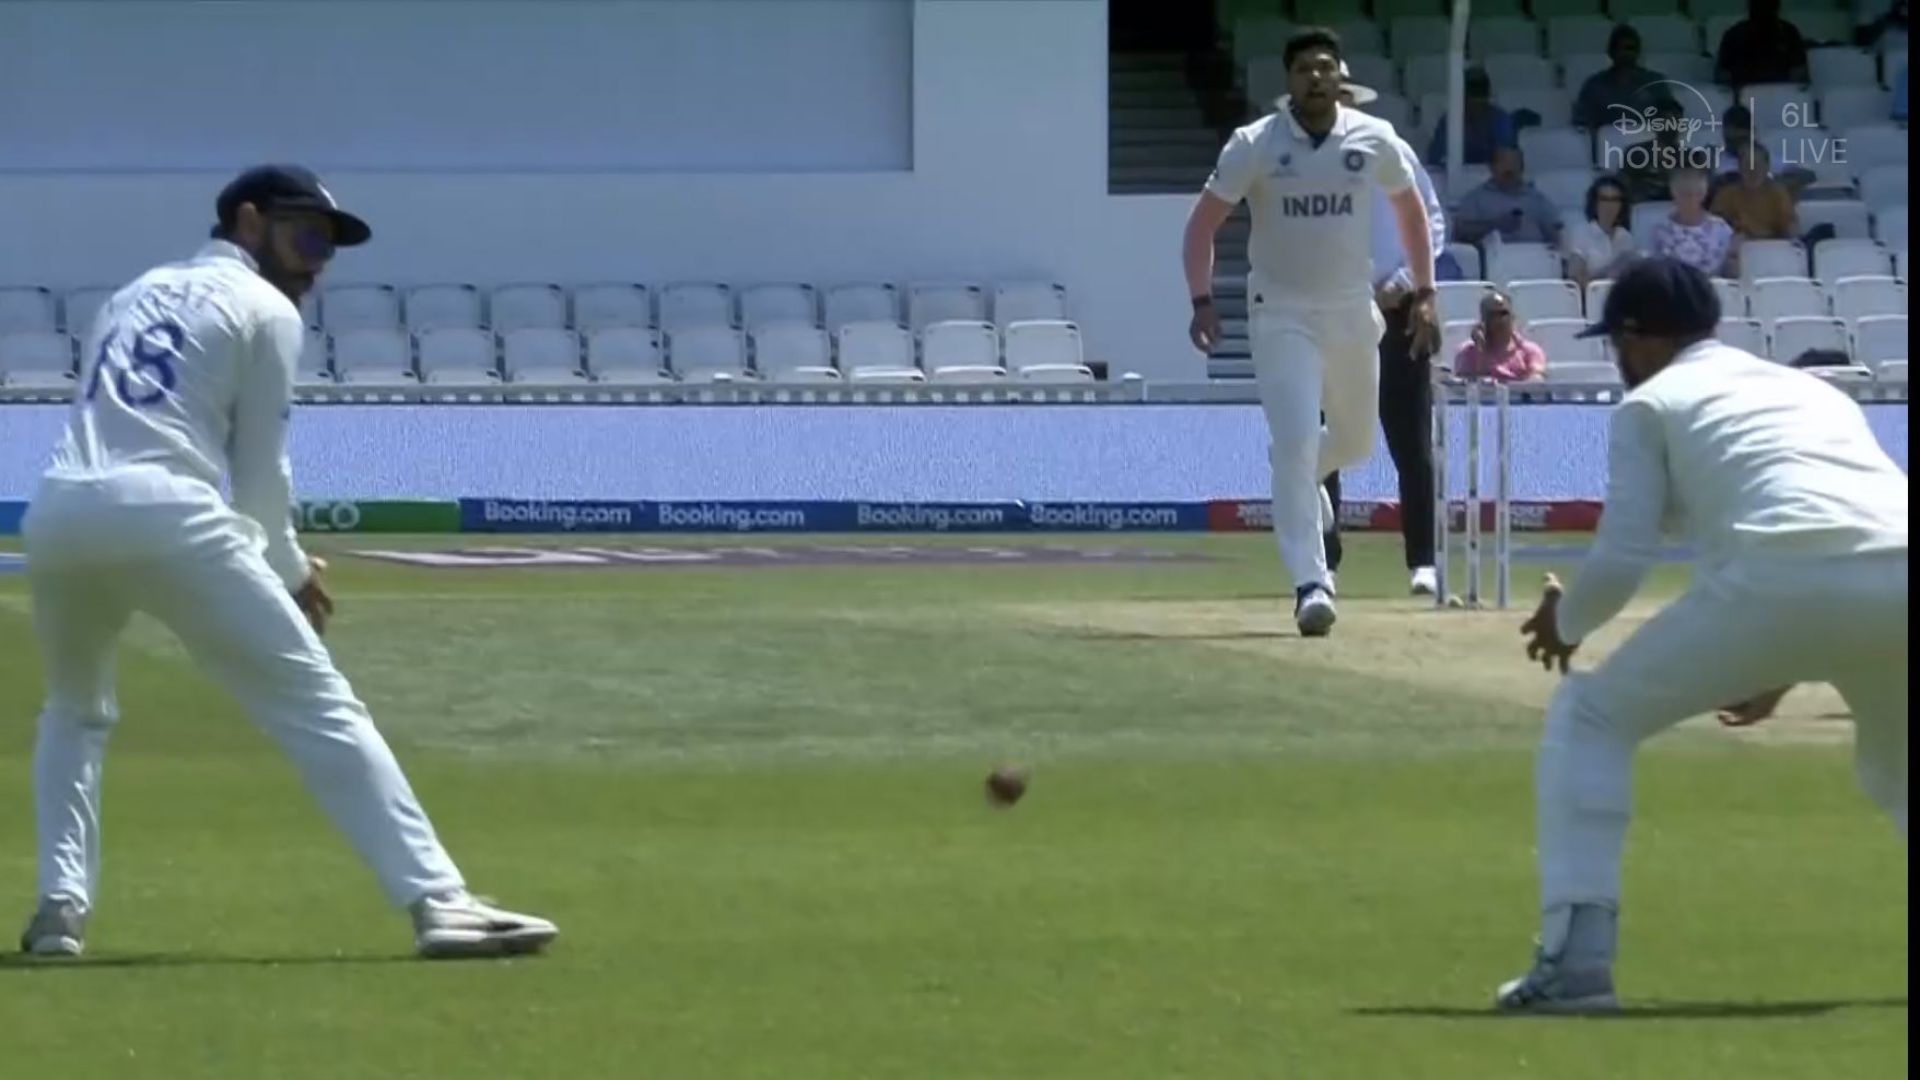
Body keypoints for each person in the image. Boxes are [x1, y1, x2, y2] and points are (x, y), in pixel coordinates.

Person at [17, 165, 559, 960]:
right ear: (247, 223)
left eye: (326, 247)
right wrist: (292, 571)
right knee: (318, 705)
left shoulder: (130, 294)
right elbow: (263, 474)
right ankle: (440, 902)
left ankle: (60, 912)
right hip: (169, 511)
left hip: (59, 513)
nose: (315, 263)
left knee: (74, 711)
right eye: (305, 236)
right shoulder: (265, 307)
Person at [1497, 257, 1907, 1012]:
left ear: (1637, 338)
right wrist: (1784, 659)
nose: (1618, 363)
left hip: (1780, 584)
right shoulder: (1807, 389)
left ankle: (1575, 965)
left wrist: (1567, 624)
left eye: (1617, 343)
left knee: (1590, 718)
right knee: (1899, 773)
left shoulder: (1649, 404)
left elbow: (1624, 557)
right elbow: (1841, 530)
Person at [1185, 28, 1440, 637]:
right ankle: (1311, 584)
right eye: (1304, 69)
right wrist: (1201, 300)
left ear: (1341, 76)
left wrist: (1426, 292)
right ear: (1289, 81)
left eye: (1326, 67)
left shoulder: (1374, 138)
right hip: (1281, 313)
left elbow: (1412, 214)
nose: (1317, 78)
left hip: (1352, 310)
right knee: (1298, 441)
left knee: (1355, 443)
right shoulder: (1255, 144)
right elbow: (1201, 227)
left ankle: (1296, 473)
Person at [1322, 73, 1449, 598]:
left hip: (1394, 314)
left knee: (1411, 442)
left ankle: (1423, 561)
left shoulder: (1389, 146)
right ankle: (1323, 562)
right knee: (1324, 444)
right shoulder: (1302, 165)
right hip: (1331, 311)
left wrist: (1403, 284)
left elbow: (1433, 222)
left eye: (1343, 98)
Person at [1451, 147, 1563, 247]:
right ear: (1492, 167)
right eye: (1503, 163)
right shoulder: (1475, 198)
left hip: (1534, 259)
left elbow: (1555, 235)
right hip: (1491, 261)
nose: (1509, 169)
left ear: (1522, 168)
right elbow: (1460, 233)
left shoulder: (1537, 199)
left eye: (1514, 163)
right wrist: (1495, 224)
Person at [1573, 26, 1678, 132]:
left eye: (1630, 48)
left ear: (1638, 52)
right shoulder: (1594, 85)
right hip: (1607, 144)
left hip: (1648, 144)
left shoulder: (1655, 81)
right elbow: (1582, 123)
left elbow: (1671, 115)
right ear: (1610, 52)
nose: (1624, 53)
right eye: (1618, 48)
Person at [1650, 170, 1738, 277]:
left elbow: (1731, 269)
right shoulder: (1661, 230)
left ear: (1704, 194)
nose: (1692, 199)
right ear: (1674, 194)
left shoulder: (1720, 228)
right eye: (1685, 194)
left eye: (1698, 194)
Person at [1425, 67, 1516, 167]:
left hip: (1492, 176)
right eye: (1472, 93)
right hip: (1458, 176)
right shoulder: (1450, 121)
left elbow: (1507, 158)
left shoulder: (1500, 119)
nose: (1476, 100)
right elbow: (1434, 158)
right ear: (1461, 95)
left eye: (1481, 93)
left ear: (1487, 95)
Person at [1563, 176, 1640, 292]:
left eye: (1615, 199)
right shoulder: (1581, 233)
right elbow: (1575, 278)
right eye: (1604, 199)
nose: (1609, 205)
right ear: (1594, 203)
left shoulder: (1626, 238)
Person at [1710, 142, 1800, 241]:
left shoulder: (1777, 194)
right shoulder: (1725, 196)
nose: (1752, 171)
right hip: (1737, 248)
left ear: (1767, 168)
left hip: (1771, 247)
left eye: (1757, 165)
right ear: (1739, 168)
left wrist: (1792, 236)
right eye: (1747, 165)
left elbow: (1790, 226)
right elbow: (1713, 229)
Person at [1452, 290, 1547, 382]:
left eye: (1503, 314)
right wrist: (1480, 351)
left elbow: (1536, 381)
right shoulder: (1467, 352)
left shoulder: (1529, 351)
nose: (1499, 320)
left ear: (1512, 317)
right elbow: (1464, 389)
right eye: (1492, 315)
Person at [1715, 0, 1810, 89]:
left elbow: (1800, 73)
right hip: (1746, 97)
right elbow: (1722, 75)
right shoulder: (1734, 34)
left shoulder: (1790, 33)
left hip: (1779, 95)